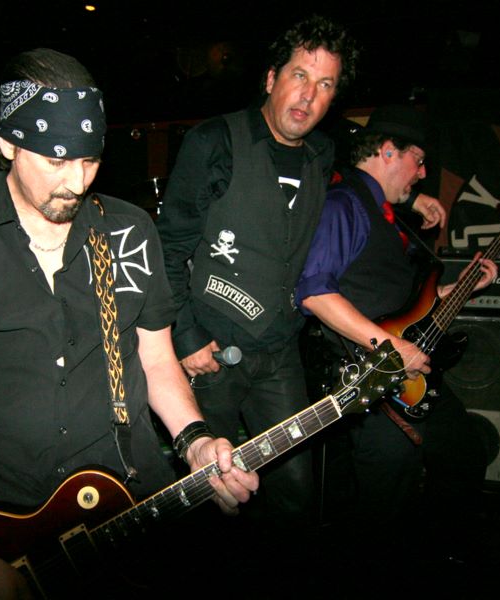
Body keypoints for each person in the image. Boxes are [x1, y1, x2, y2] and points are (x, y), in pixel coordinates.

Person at [0, 48, 257, 599]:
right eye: (55, 161)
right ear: (7, 143)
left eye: (89, 160)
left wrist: (194, 440)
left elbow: (155, 357)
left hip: (129, 499)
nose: (75, 182)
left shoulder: (128, 229)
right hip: (1, 516)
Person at [155, 14, 357, 532]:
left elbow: (359, 187)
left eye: (325, 84)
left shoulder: (321, 154)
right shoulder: (214, 141)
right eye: (299, 75)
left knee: (296, 494)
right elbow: (168, 248)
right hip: (212, 352)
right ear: (271, 78)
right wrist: (186, 337)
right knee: (208, 496)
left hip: (279, 351)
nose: (308, 95)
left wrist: (411, 201)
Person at [296, 104, 498, 570]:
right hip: (372, 378)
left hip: (406, 370)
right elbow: (314, 292)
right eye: (418, 160)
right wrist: (391, 350)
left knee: (463, 454)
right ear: (388, 151)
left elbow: (403, 304)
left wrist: (459, 288)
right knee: (384, 501)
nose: (423, 173)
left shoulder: (384, 213)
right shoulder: (344, 204)